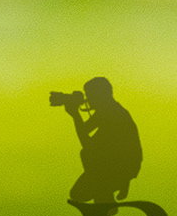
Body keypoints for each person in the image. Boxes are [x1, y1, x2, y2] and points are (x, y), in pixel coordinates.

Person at [58, 75, 143, 205]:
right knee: (78, 193)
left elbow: (87, 145)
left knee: (87, 155)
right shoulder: (110, 110)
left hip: (120, 166)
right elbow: (85, 132)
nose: (88, 99)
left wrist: (75, 114)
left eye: (90, 95)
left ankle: (107, 199)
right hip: (119, 164)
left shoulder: (111, 114)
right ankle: (110, 193)